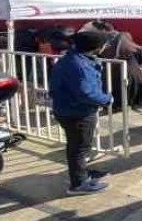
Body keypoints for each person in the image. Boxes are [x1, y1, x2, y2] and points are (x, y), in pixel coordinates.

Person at [50, 32, 113, 195]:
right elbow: (86, 93)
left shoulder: (71, 59)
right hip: (77, 112)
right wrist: (107, 99)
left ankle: (81, 174)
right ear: (96, 47)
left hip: (65, 109)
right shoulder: (80, 65)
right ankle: (78, 184)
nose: (106, 47)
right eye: (104, 44)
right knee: (80, 148)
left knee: (76, 145)